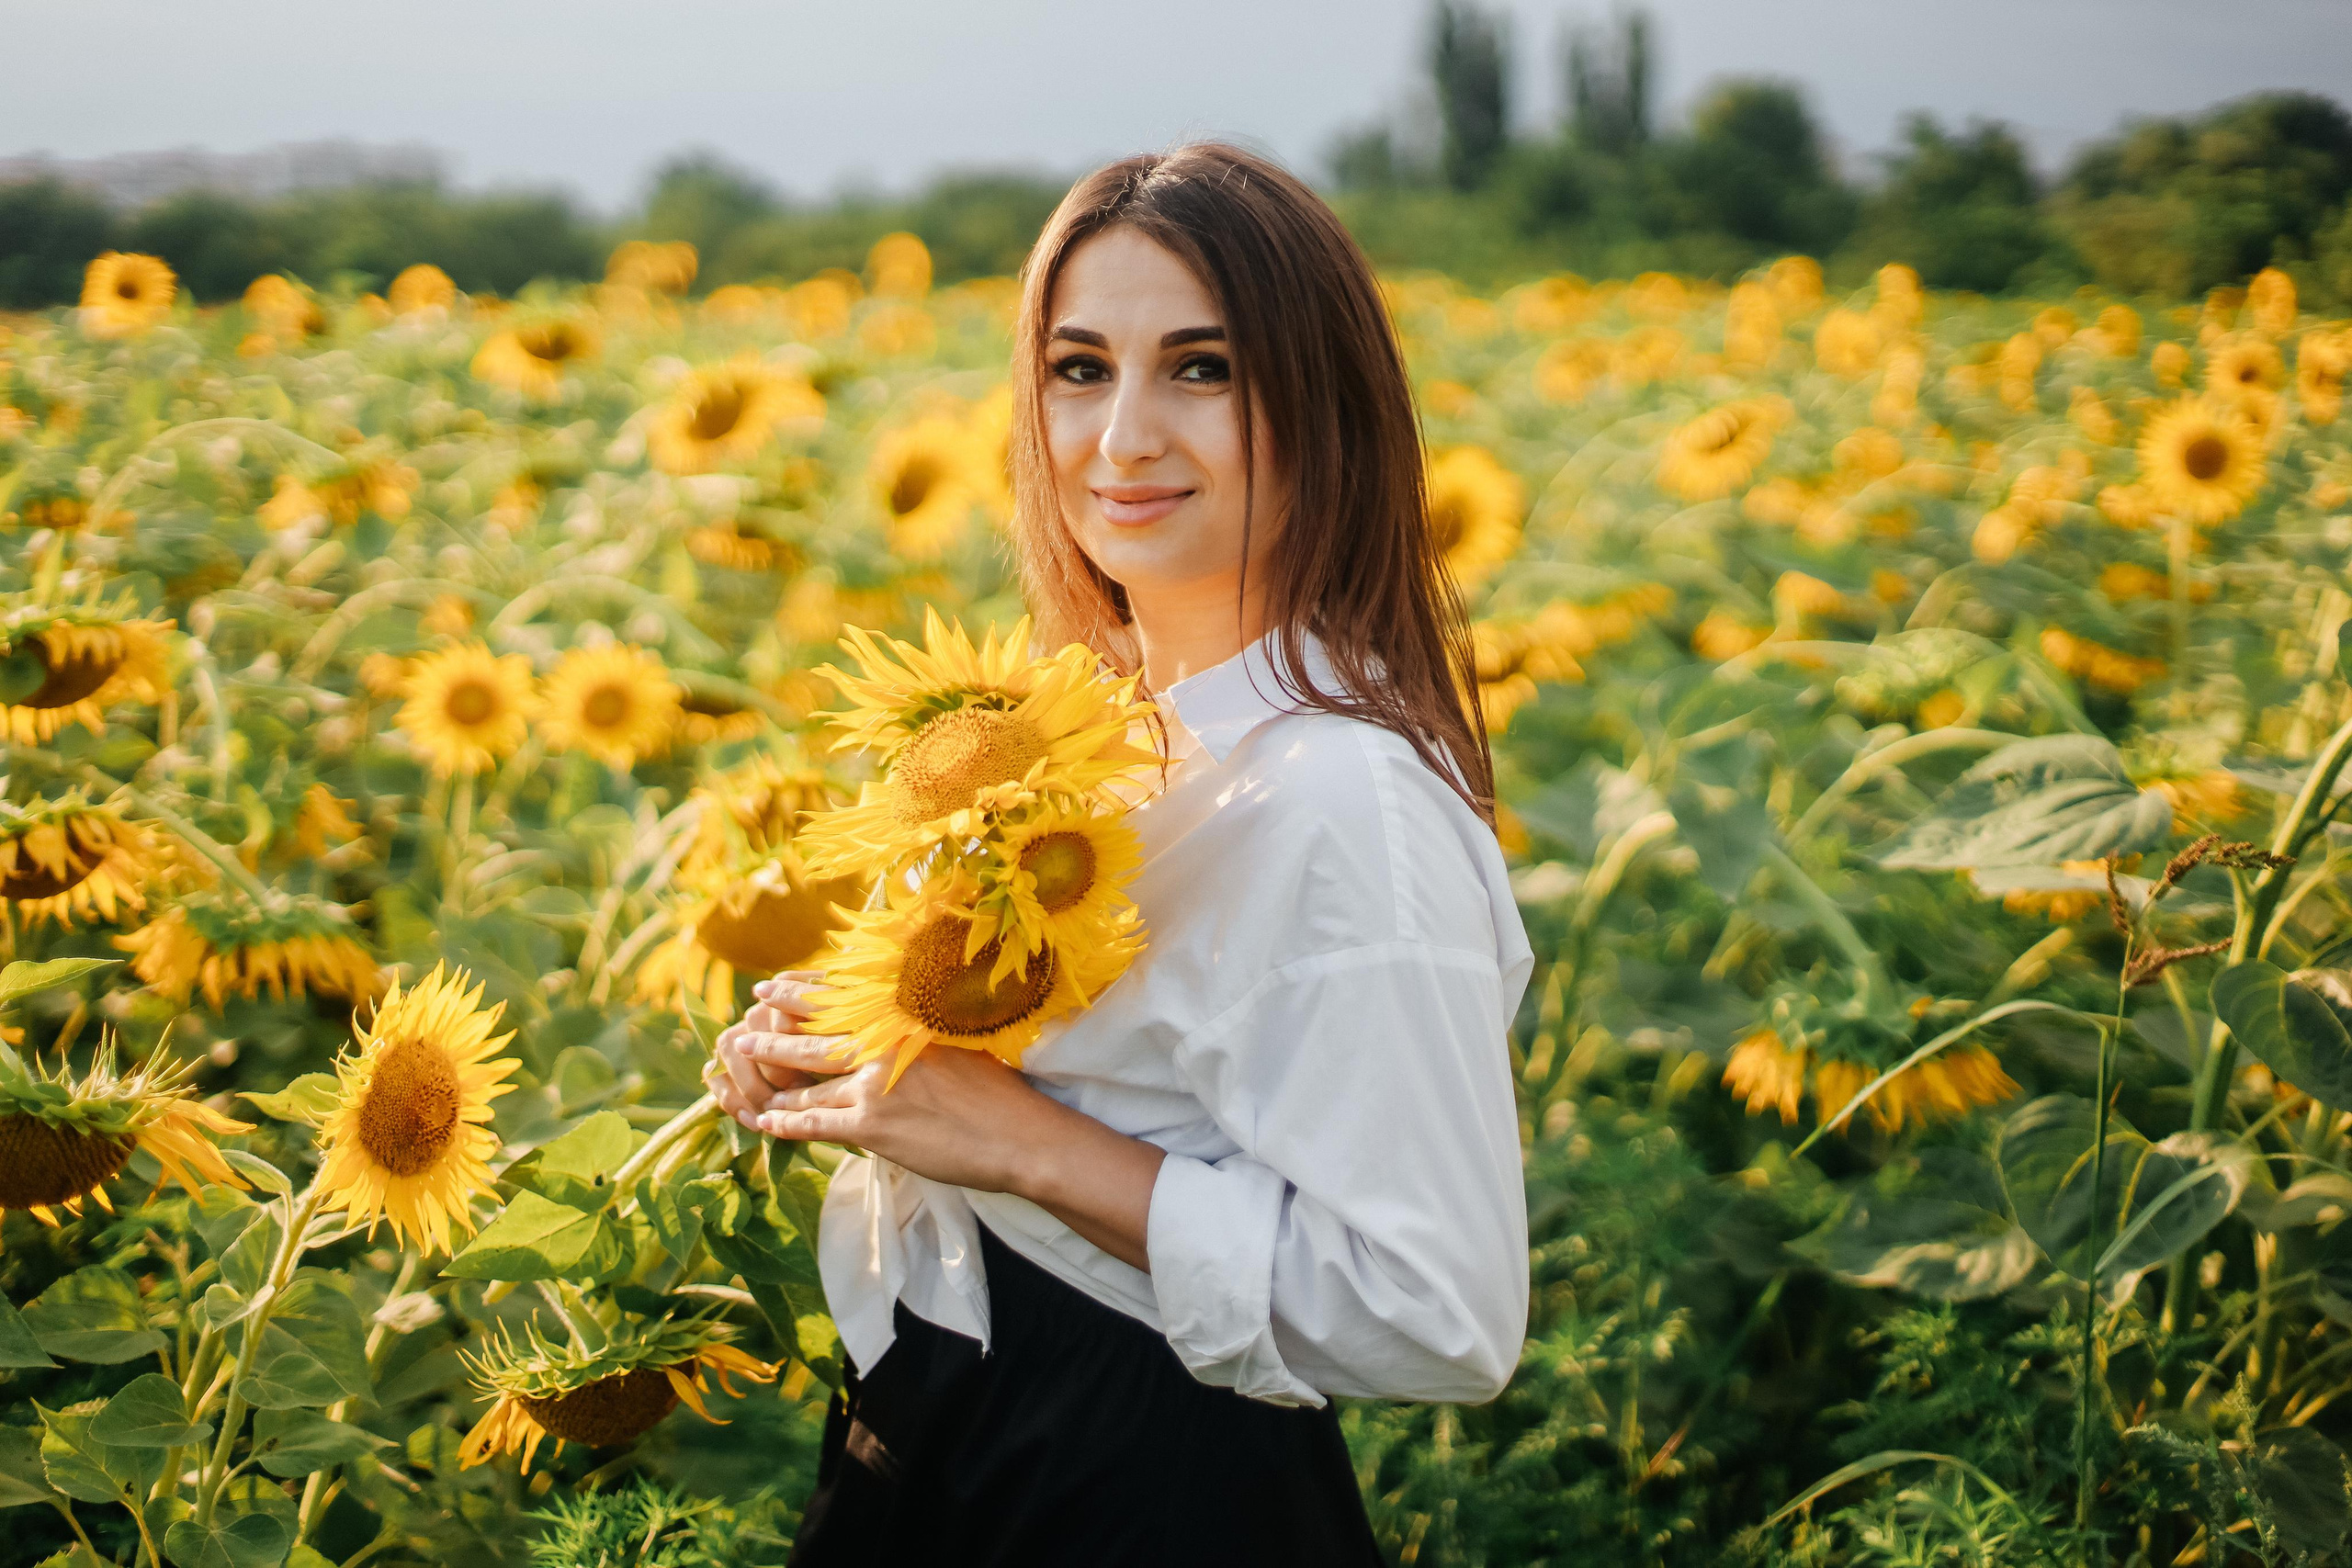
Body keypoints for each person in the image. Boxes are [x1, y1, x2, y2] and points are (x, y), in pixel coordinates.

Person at [705, 141, 1533, 1566]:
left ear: (1320, 405)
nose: (1121, 437)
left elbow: (1438, 1314)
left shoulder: (1346, 801)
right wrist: (842, 1052)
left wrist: (1017, 1141)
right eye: (1080, 369)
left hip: (1149, 1468)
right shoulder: (1078, 737)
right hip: (943, 1412)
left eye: (1200, 369)